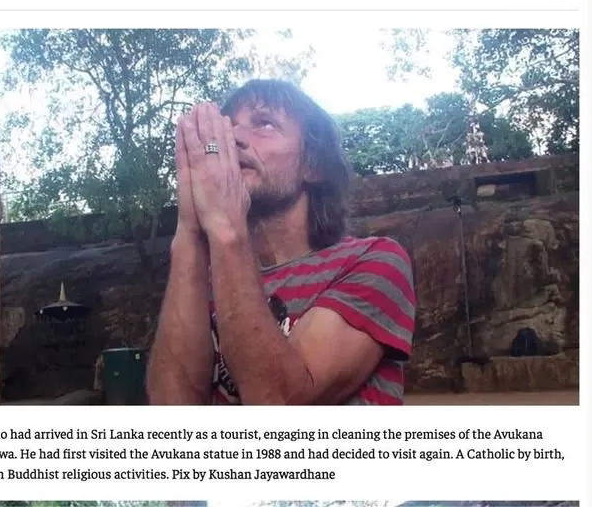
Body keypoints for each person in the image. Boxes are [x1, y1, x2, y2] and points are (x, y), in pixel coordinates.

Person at [144, 79, 416, 405]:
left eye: (265, 123)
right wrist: (189, 232)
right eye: (228, 126)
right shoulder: (205, 284)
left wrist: (226, 228)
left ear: (312, 165)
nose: (233, 137)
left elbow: (280, 401)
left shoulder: (374, 260)